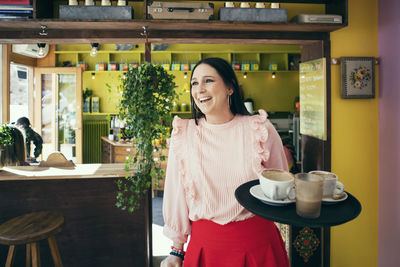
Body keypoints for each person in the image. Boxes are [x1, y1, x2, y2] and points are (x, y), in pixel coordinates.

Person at [161, 58, 290, 267]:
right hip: (205, 249)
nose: (199, 89)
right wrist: (176, 250)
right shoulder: (184, 134)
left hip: (259, 246)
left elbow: (280, 187)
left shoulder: (259, 129)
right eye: (194, 83)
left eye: (208, 81)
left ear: (230, 87)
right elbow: (176, 194)